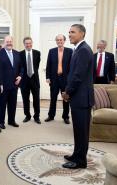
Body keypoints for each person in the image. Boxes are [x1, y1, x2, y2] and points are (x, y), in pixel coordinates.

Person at [62, 24, 94, 169]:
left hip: (81, 99)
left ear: (82, 34)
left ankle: (80, 161)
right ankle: (77, 154)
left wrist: (67, 92)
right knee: (78, 130)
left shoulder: (83, 51)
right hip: (78, 98)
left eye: (72, 32)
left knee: (82, 131)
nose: (69, 35)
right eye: (69, 32)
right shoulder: (80, 49)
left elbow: (77, 76)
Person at [45, 34, 73, 124]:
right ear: (56, 41)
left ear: (64, 41)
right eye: (58, 40)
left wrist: (70, 79)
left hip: (65, 79)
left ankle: (65, 117)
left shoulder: (70, 51)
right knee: (53, 98)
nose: (59, 41)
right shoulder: (51, 51)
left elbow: (71, 66)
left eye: (61, 40)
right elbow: (48, 65)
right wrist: (48, 77)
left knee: (65, 98)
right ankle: (51, 115)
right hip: (54, 79)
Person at [0, 35, 22, 129]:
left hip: (14, 84)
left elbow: (21, 67)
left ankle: (11, 120)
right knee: (2, 104)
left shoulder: (17, 53)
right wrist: (0, 83)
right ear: (4, 43)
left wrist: (20, 76)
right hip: (3, 84)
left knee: (12, 104)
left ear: (12, 42)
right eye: (7, 41)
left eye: (10, 41)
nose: (9, 43)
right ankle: (0, 122)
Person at [19, 37, 41, 124]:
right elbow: (20, 67)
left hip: (34, 79)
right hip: (24, 80)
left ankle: (37, 116)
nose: (28, 45)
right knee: (25, 99)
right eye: (26, 43)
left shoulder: (37, 53)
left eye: (30, 43)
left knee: (36, 99)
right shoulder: (20, 54)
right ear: (24, 44)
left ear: (32, 43)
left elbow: (37, 66)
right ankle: (27, 115)